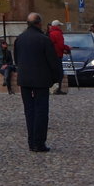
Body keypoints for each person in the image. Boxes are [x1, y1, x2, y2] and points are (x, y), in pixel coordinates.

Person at [14, 13, 62, 153]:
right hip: (41, 80)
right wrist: (56, 78)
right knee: (41, 111)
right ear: (39, 23)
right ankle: (39, 142)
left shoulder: (20, 39)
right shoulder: (43, 39)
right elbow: (52, 61)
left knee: (29, 111)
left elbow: (16, 58)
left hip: (25, 80)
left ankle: (31, 141)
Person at [48, 20, 71, 94]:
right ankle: (58, 89)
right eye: (59, 25)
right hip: (58, 55)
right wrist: (67, 48)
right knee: (60, 73)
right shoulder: (58, 33)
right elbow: (60, 45)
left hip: (52, 55)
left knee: (53, 72)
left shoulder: (50, 33)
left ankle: (53, 88)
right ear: (57, 26)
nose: (60, 27)